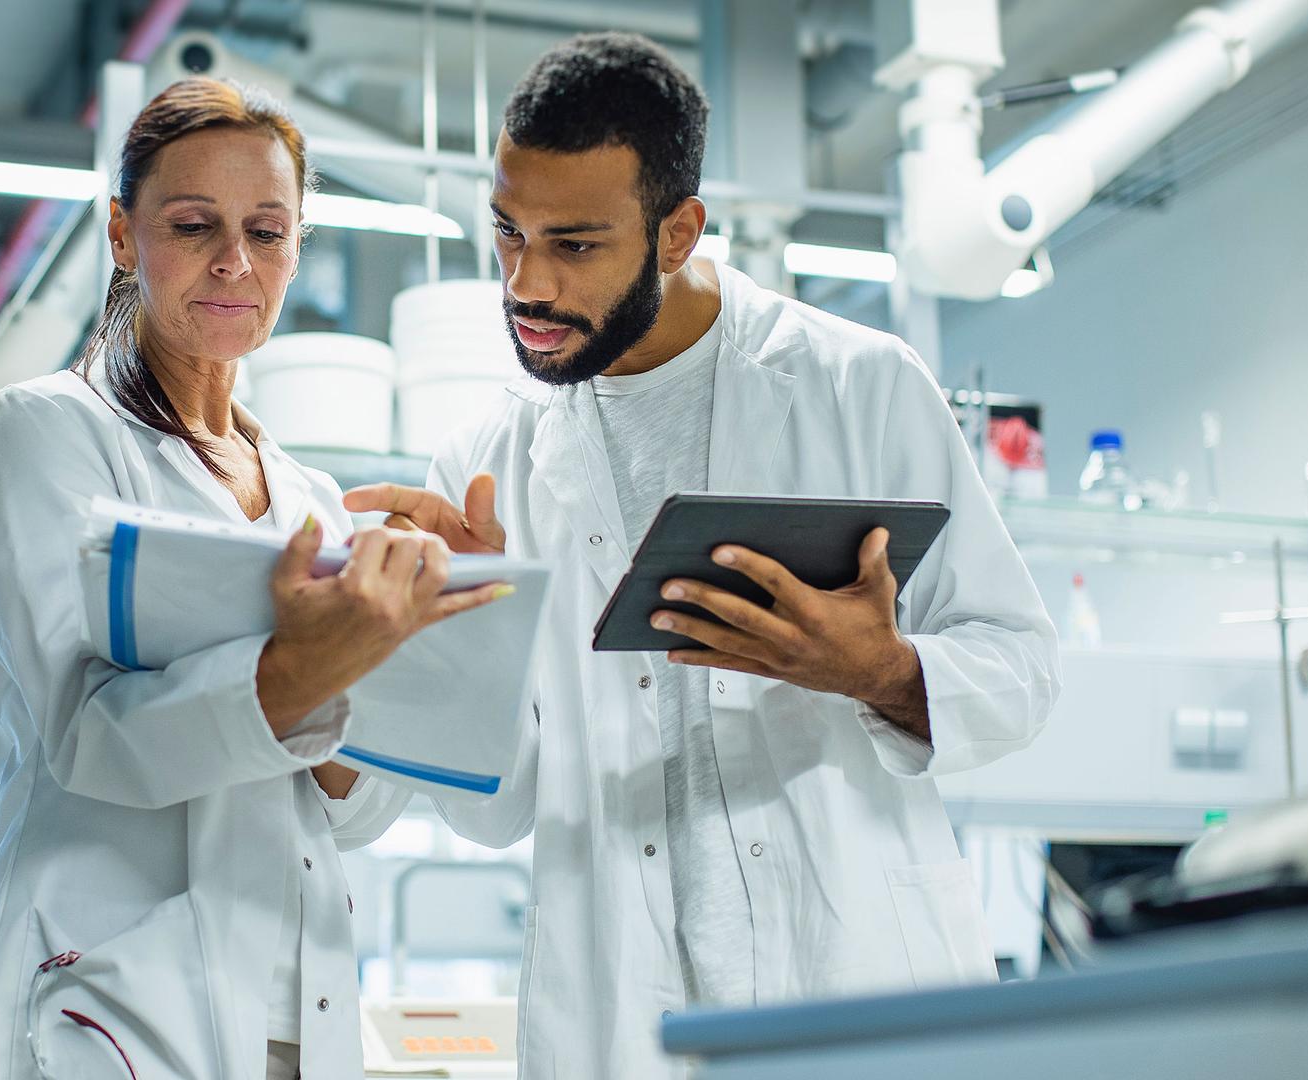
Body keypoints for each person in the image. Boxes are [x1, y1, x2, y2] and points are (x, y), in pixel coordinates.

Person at [346, 33, 1061, 1079]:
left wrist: (880, 671)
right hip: (620, 1025)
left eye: (576, 246)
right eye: (508, 233)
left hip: (853, 990)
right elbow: (498, 810)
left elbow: (1024, 669)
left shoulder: (856, 386)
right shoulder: (487, 462)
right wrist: (465, 649)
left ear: (677, 231)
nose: (525, 284)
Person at [0, 77, 498, 1080]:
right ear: (123, 234)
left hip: (297, 1012)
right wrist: (299, 668)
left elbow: (352, 810)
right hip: (112, 998)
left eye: (269, 231)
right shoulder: (45, 437)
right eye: (194, 225)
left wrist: (436, 636)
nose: (236, 263)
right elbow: (89, 735)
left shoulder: (311, 499)